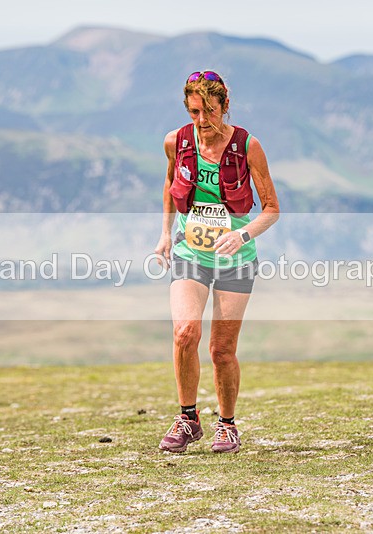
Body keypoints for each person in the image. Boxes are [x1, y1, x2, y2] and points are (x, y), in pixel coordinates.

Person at [154, 70, 280, 453]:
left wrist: (241, 234)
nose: (203, 121)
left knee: (221, 350)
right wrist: (164, 233)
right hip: (190, 251)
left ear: (225, 106)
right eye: (195, 112)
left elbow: (272, 209)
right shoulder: (176, 141)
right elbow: (169, 184)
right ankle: (188, 419)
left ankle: (227, 425)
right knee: (184, 333)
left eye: (210, 111)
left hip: (236, 257)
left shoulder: (248, 146)